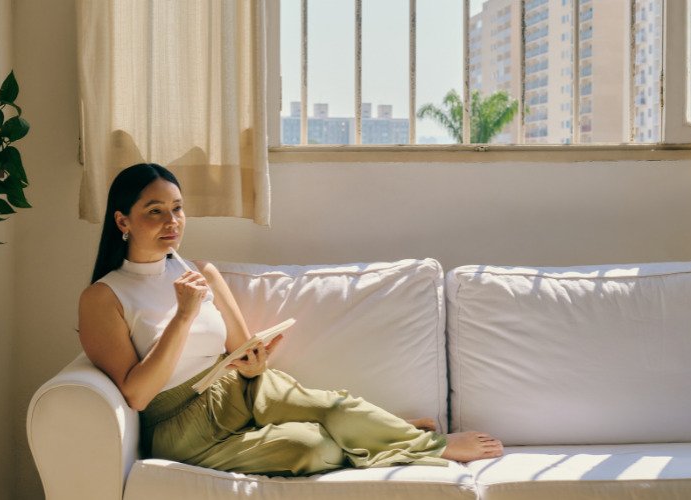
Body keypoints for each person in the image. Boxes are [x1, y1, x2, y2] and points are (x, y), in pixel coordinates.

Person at [78, 163, 503, 476]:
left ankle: (425, 444)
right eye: (155, 211)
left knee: (336, 405)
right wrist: (183, 317)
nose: (172, 222)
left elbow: (242, 349)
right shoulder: (102, 297)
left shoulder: (201, 270)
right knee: (311, 449)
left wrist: (255, 361)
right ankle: (376, 434)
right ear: (123, 221)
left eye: (177, 208)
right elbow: (136, 395)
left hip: (238, 386)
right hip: (181, 424)